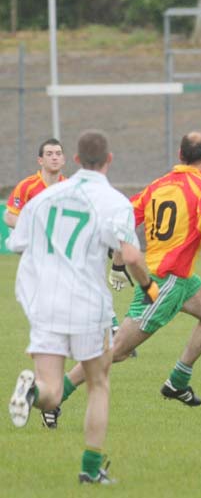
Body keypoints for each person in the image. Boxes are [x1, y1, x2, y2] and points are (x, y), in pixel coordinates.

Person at [47, 131, 201, 412]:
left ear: (179, 155)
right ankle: (56, 395)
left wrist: (114, 257)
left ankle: (177, 381)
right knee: (117, 351)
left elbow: (126, 216)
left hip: (181, 278)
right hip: (165, 281)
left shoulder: (158, 185)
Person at [7, 130, 152, 484]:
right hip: (87, 303)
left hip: (44, 300)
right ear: (109, 159)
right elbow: (129, 253)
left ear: (73, 160)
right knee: (98, 381)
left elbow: (16, 243)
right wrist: (148, 285)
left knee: (50, 390)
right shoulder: (114, 200)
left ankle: (31, 392)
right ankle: (90, 469)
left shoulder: (45, 198)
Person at [4, 138, 66, 228]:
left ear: (63, 160)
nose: (54, 157)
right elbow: (10, 217)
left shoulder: (71, 187)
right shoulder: (26, 186)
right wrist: (34, 229)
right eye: (49, 154)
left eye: (58, 154)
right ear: (40, 160)